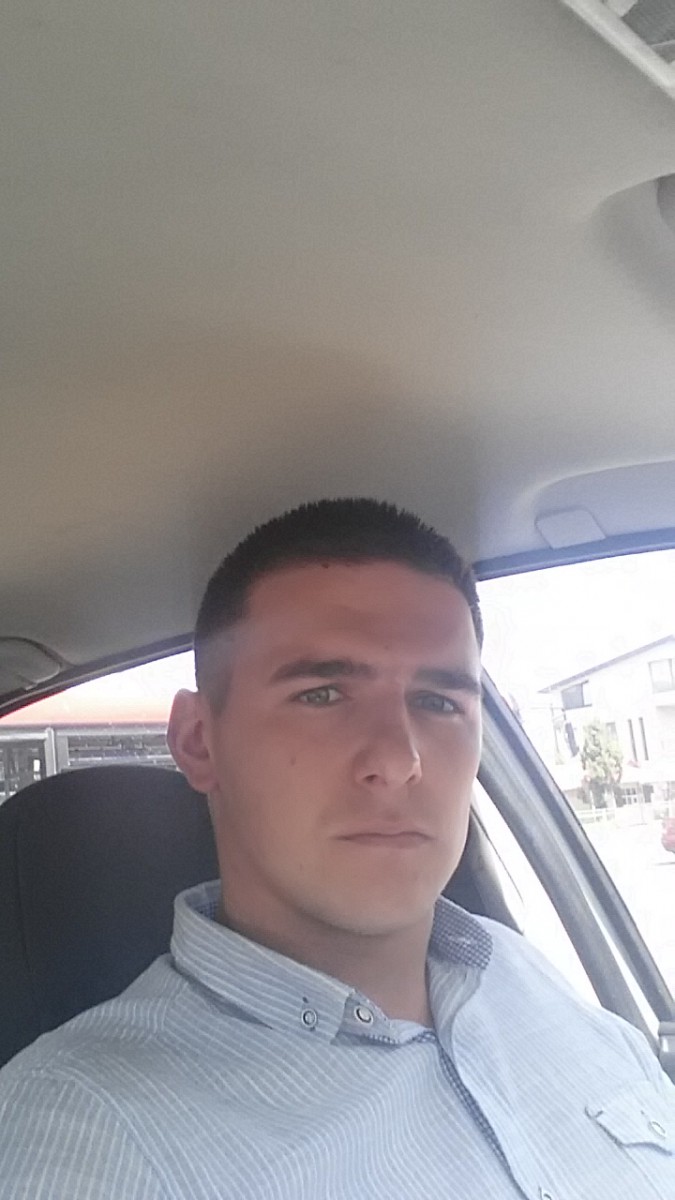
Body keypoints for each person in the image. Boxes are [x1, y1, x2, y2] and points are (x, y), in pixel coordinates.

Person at [0, 497, 674, 1200]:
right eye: (322, 694)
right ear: (199, 741)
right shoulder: (82, 1136)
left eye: (439, 702)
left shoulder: (527, 975)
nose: (399, 760)